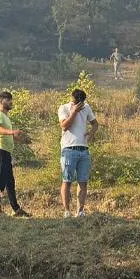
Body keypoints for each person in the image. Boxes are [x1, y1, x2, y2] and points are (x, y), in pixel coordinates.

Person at [58, 88, 98, 218]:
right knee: (67, 180)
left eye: (81, 103)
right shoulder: (64, 108)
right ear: (72, 99)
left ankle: (80, 211)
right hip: (69, 149)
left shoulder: (86, 107)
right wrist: (74, 112)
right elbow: (64, 126)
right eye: (76, 102)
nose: (79, 105)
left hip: (83, 149)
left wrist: (91, 133)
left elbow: (95, 124)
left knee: (83, 181)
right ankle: (67, 211)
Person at [0, 91, 31, 217]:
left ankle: (16, 209)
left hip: (6, 153)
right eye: (8, 99)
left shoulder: (6, 117)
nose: (10, 102)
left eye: (10, 99)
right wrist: (12, 132)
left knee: (10, 182)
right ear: (1, 101)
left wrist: (21, 139)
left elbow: (8, 134)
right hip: (0, 151)